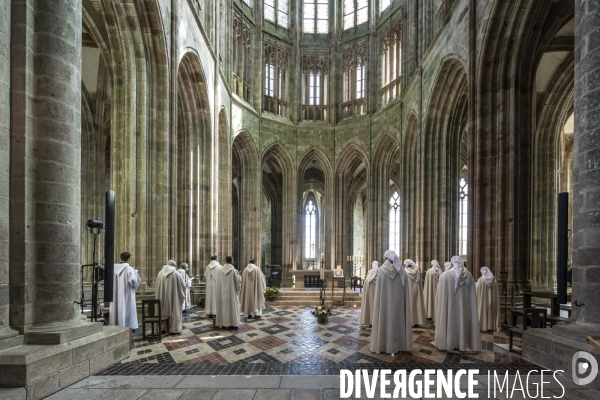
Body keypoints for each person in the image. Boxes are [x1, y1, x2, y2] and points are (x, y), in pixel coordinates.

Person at [434, 256, 481, 352]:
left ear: (451, 263)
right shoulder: (469, 276)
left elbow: (442, 299)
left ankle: (448, 342)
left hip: (450, 309)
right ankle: (463, 342)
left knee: (448, 317)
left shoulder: (445, 276)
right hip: (464, 311)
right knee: (462, 321)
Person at [370, 250, 413, 354]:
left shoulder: (382, 271)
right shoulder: (401, 271)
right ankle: (400, 345)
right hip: (398, 305)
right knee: (398, 321)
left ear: (385, 258)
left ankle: (383, 344)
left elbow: (379, 292)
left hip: (384, 305)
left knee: (384, 320)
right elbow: (405, 289)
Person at [109, 251, 142, 329]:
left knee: (117, 308)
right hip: (127, 294)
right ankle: (129, 326)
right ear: (128, 259)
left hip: (115, 294)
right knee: (127, 309)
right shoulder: (129, 269)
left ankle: (116, 325)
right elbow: (134, 281)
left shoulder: (113, 269)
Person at [155, 260, 185, 334]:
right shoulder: (176, 274)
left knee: (161, 309)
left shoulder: (160, 274)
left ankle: (162, 328)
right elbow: (183, 286)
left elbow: (156, 286)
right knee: (174, 309)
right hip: (173, 298)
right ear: (174, 266)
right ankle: (173, 328)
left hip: (162, 297)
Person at [215, 256, 242, 328]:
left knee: (223, 308)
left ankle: (224, 323)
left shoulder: (220, 270)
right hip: (231, 293)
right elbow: (238, 282)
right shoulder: (233, 271)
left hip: (222, 293)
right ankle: (233, 323)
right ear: (231, 261)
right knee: (232, 307)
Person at [476, 266, 501, 332]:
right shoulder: (494, 280)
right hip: (492, 300)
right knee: (491, 310)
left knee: (483, 309)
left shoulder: (481, 280)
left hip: (483, 301)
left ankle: (483, 325)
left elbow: (477, 291)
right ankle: (492, 325)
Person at [404, 259, 426, 326]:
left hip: (408, 291)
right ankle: (417, 321)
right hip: (416, 291)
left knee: (410, 304)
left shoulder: (405, 271)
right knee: (417, 305)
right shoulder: (417, 272)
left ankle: (410, 321)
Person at [359, 261, 379, 327]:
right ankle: (375, 321)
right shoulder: (380, 272)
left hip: (370, 295)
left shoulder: (370, 272)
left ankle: (369, 320)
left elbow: (366, 283)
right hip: (377, 294)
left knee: (369, 306)